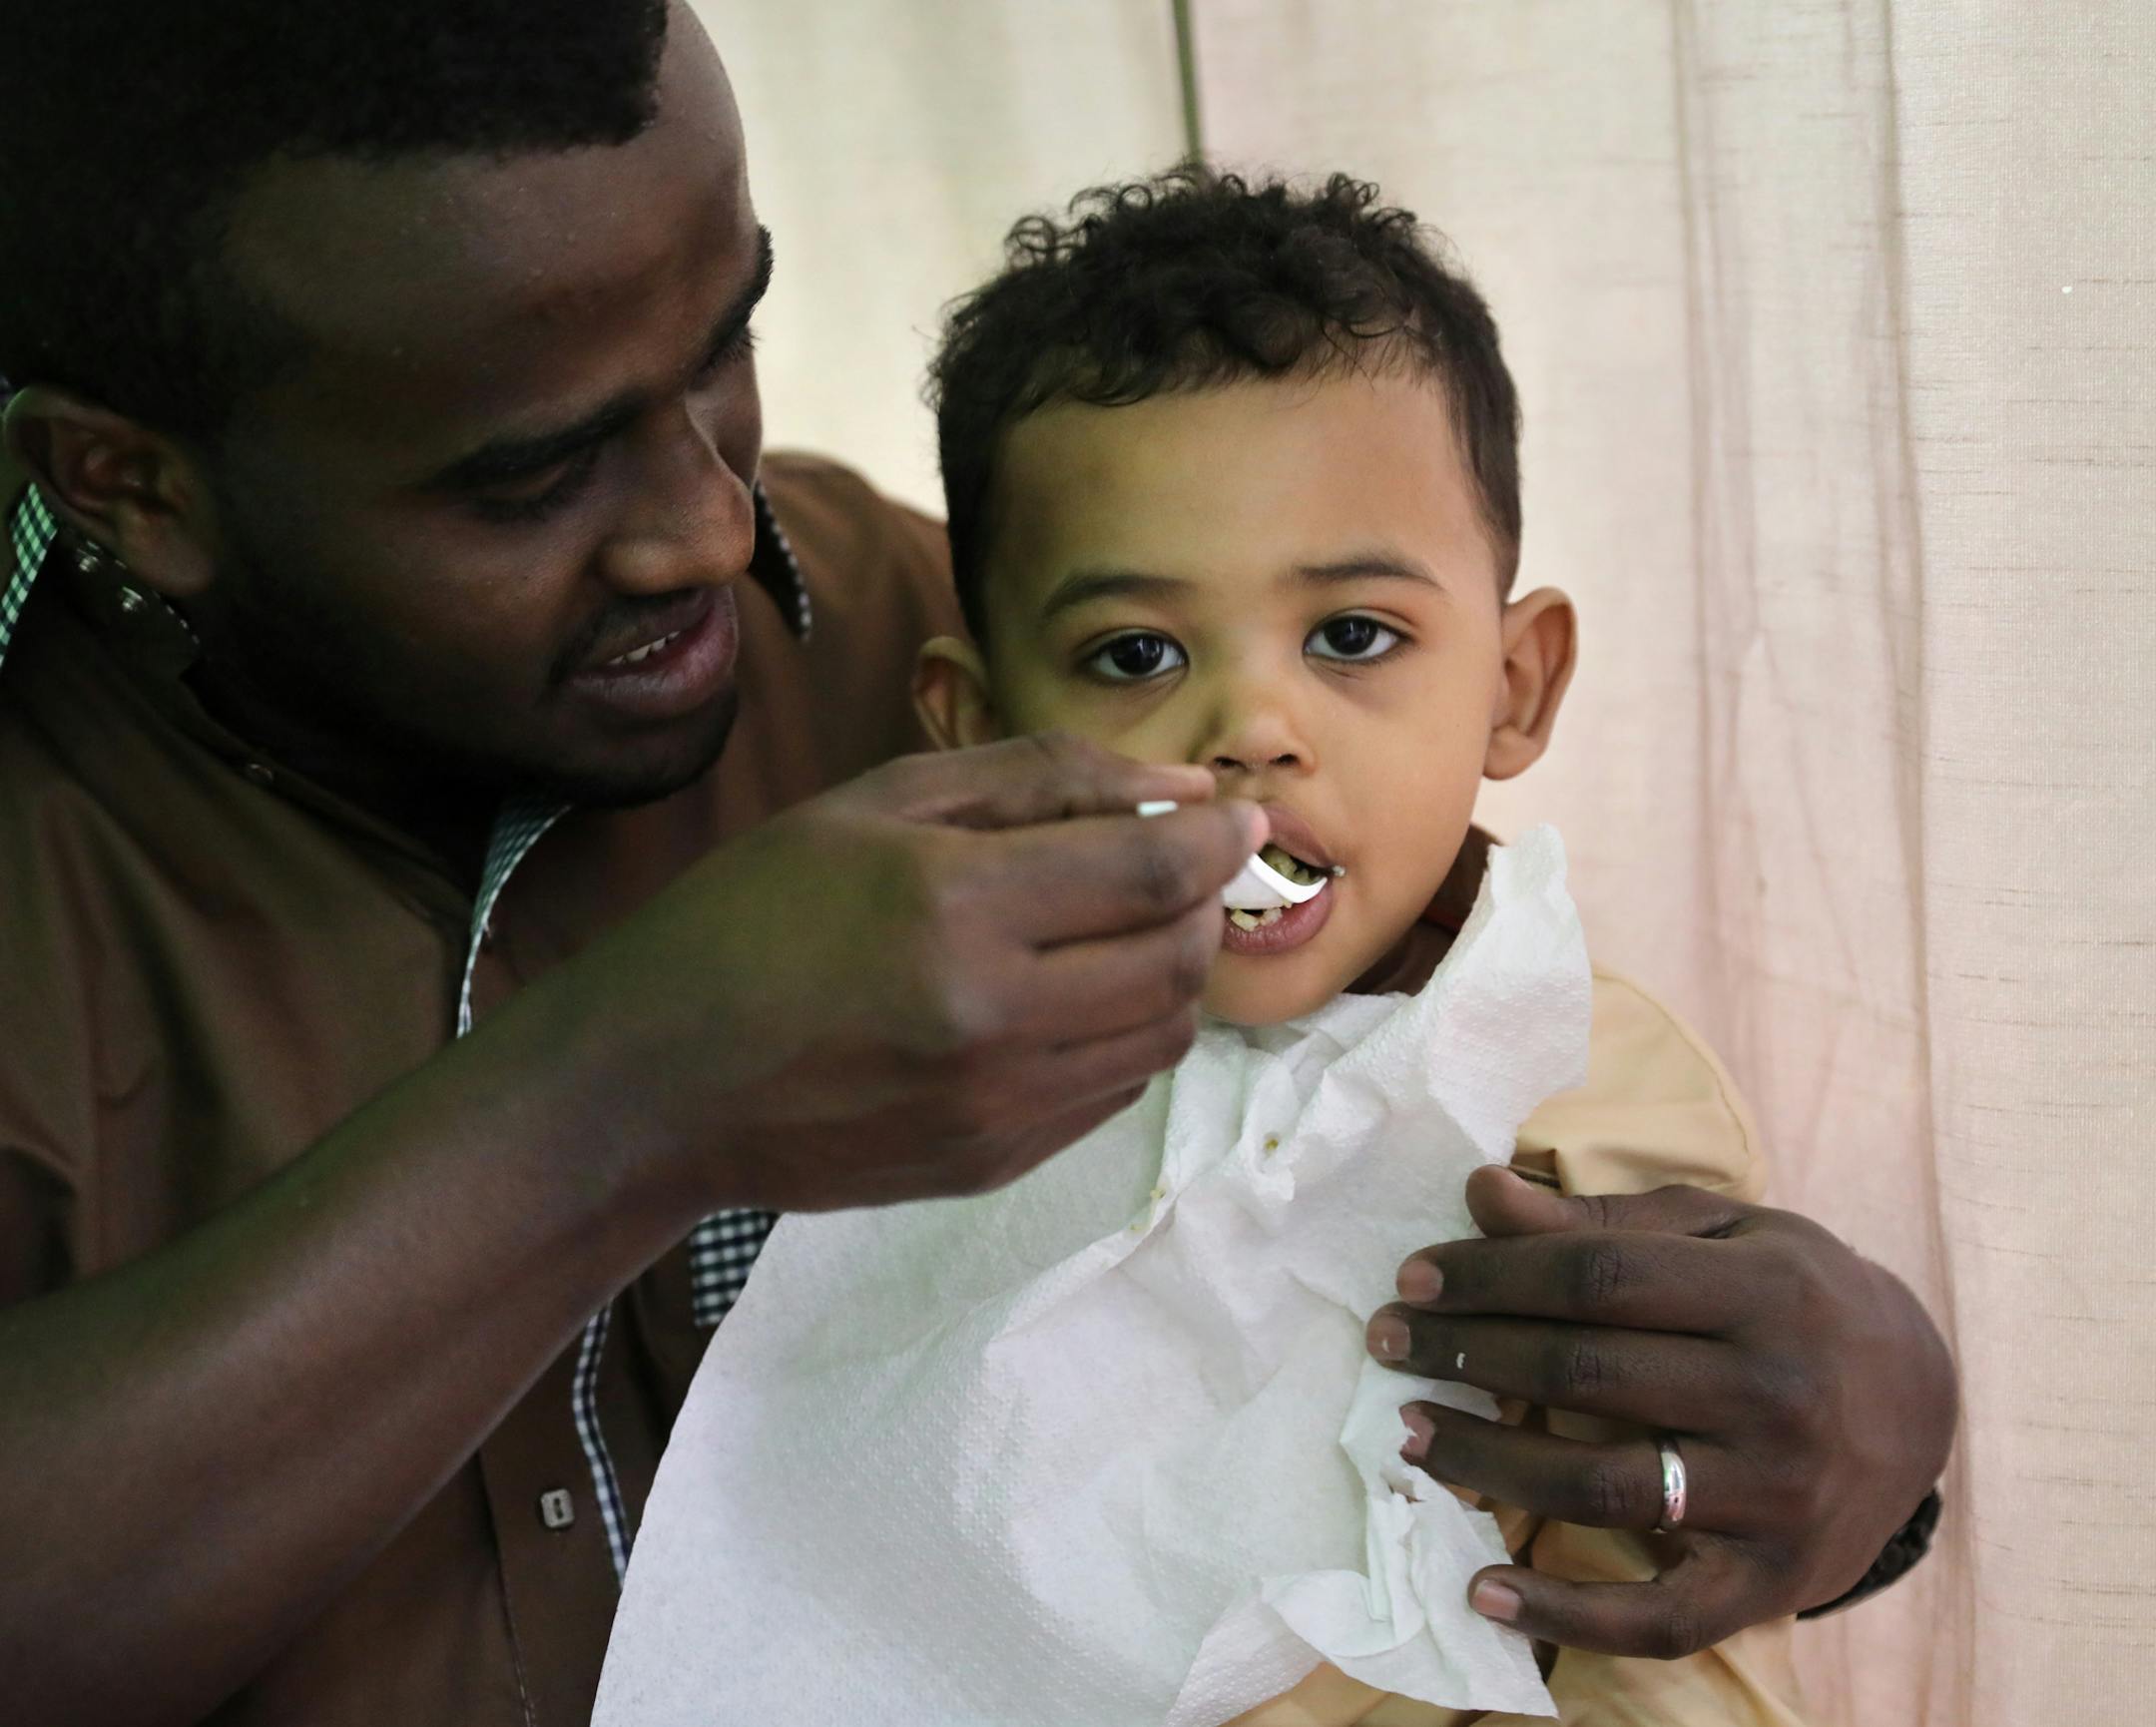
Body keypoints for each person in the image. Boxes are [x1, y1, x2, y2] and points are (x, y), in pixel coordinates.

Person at [0, 4, 1951, 1725]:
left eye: (728, 344)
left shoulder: (915, 635)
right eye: (531, 473)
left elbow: (1422, 1061)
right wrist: (619, 1111)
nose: (705, 527)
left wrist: (1851, 1445)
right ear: (132, 485)